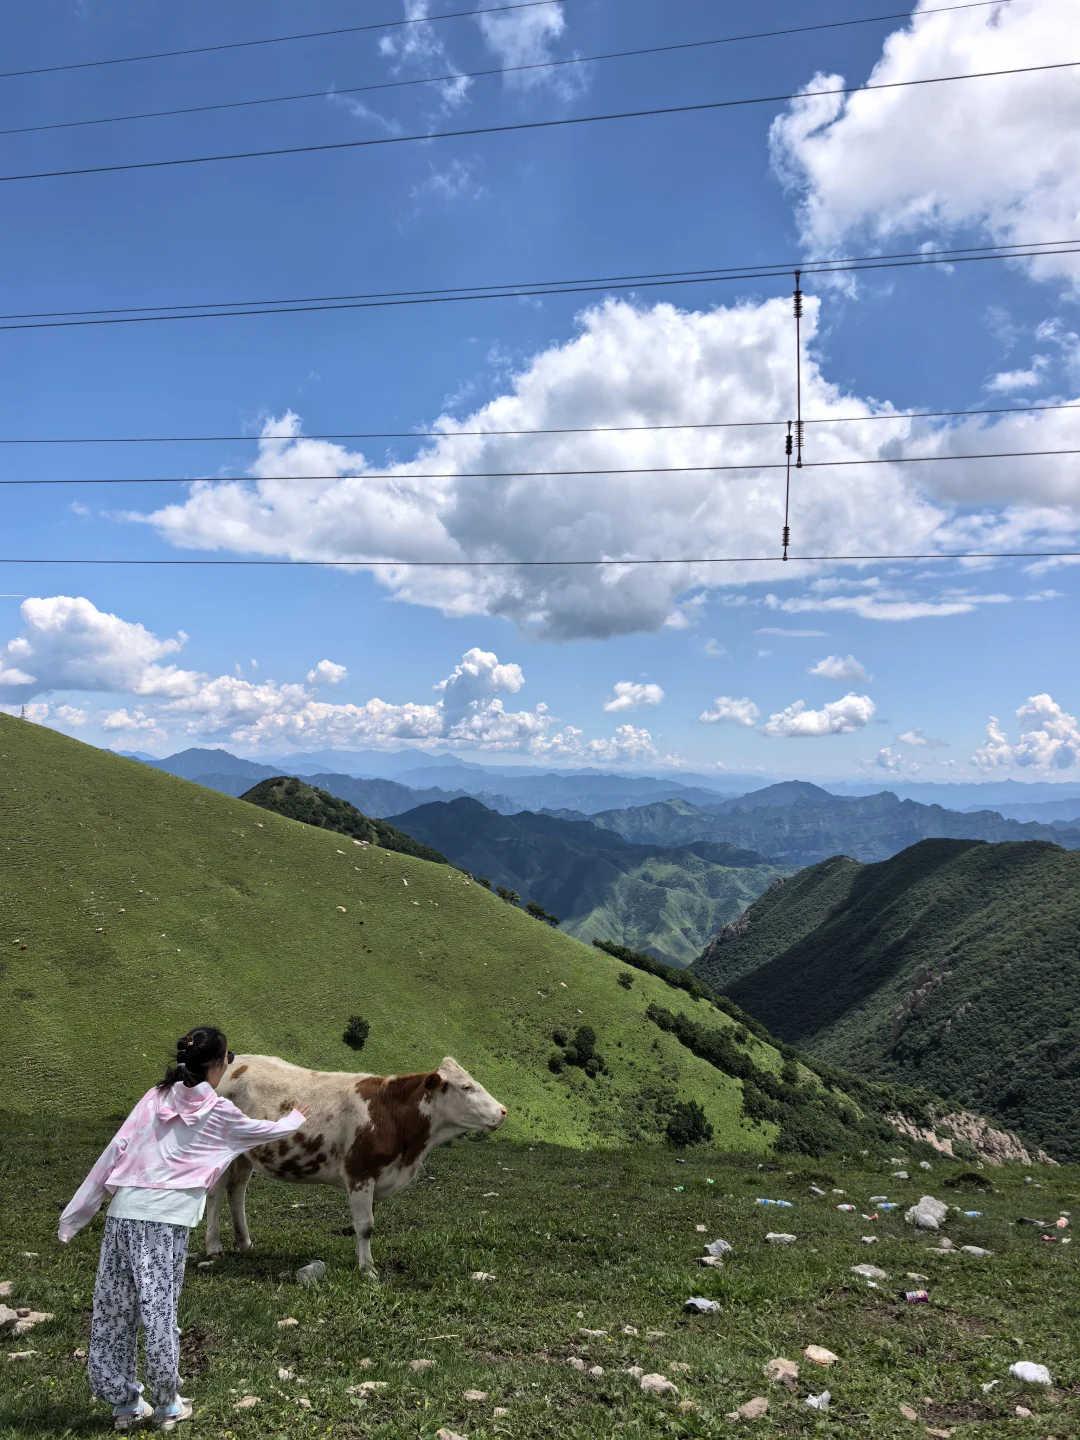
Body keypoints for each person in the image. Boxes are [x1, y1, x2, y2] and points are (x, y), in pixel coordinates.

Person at [58, 1026, 309, 1432]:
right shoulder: (219, 1112)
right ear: (217, 1065)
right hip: (166, 1221)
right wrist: (295, 1118)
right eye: (228, 1059)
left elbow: (115, 1149)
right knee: (158, 1311)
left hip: (123, 1213)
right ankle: (166, 1404)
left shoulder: (154, 1097)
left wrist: (75, 1216)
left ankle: (123, 1404)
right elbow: (264, 1132)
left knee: (112, 1310)